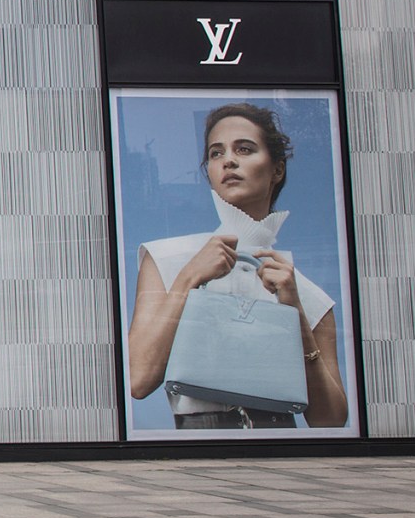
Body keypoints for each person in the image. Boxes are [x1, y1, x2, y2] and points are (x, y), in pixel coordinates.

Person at [126, 102, 348, 430]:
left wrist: (296, 315)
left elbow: (330, 420)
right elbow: (138, 381)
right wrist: (188, 278)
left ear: (277, 170)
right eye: (216, 153)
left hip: (283, 453)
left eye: (244, 149)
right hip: (196, 450)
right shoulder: (168, 259)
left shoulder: (302, 289)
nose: (228, 160)